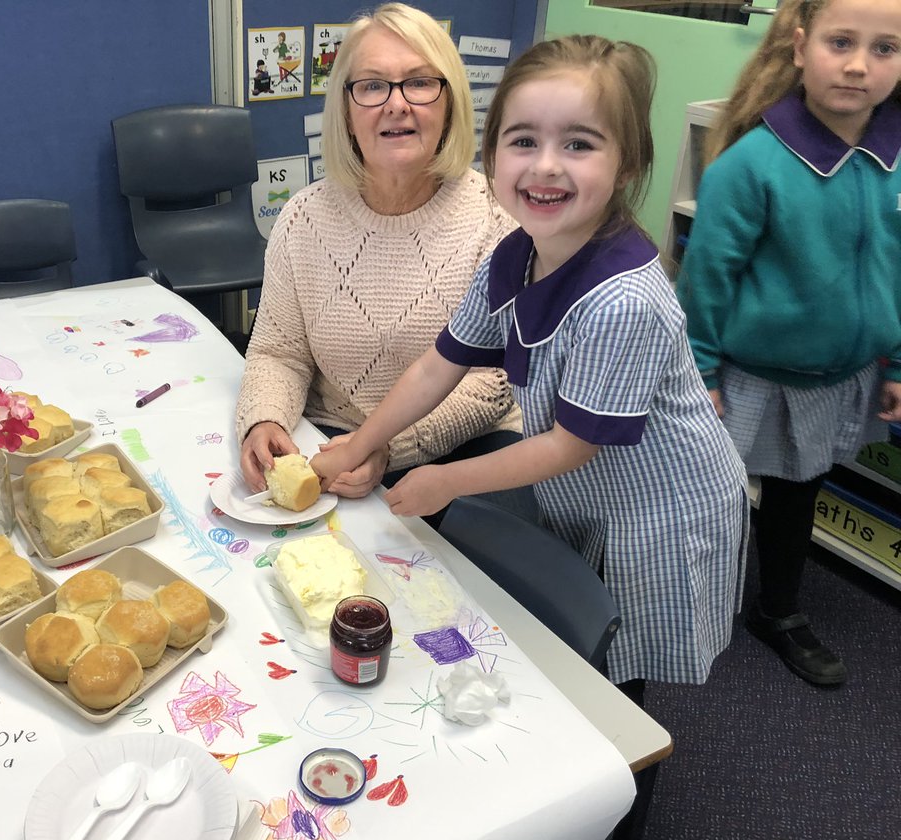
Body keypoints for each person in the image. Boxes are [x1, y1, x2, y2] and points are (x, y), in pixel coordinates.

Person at [312, 35, 749, 699]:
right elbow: (441, 364)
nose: (546, 167)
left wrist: (443, 480)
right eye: (522, 141)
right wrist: (360, 444)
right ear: (491, 156)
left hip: (662, 507)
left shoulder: (623, 300)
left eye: (578, 144)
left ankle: (624, 772)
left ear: (627, 164)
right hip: (596, 486)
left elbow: (570, 446)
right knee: (581, 632)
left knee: (620, 649)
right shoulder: (515, 254)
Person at [677, 0, 901, 686]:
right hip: (749, 375)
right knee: (704, 495)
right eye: (841, 42)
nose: (860, 64)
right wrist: (701, 373)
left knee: (797, 494)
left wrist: (896, 360)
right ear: (802, 47)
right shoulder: (752, 165)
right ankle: (671, 600)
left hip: (842, 372)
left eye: (886, 48)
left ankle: (778, 610)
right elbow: (708, 277)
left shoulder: (894, 158)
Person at [236, 3, 522, 513]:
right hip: (328, 443)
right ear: (346, 110)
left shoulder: (499, 220)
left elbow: (493, 382)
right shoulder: (302, 218)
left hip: (464, 456)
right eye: (372, 86)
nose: (397, 104)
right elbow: (278, 351)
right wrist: (265, 420)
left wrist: (385, 446)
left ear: (450, 102)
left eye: (419, 83)